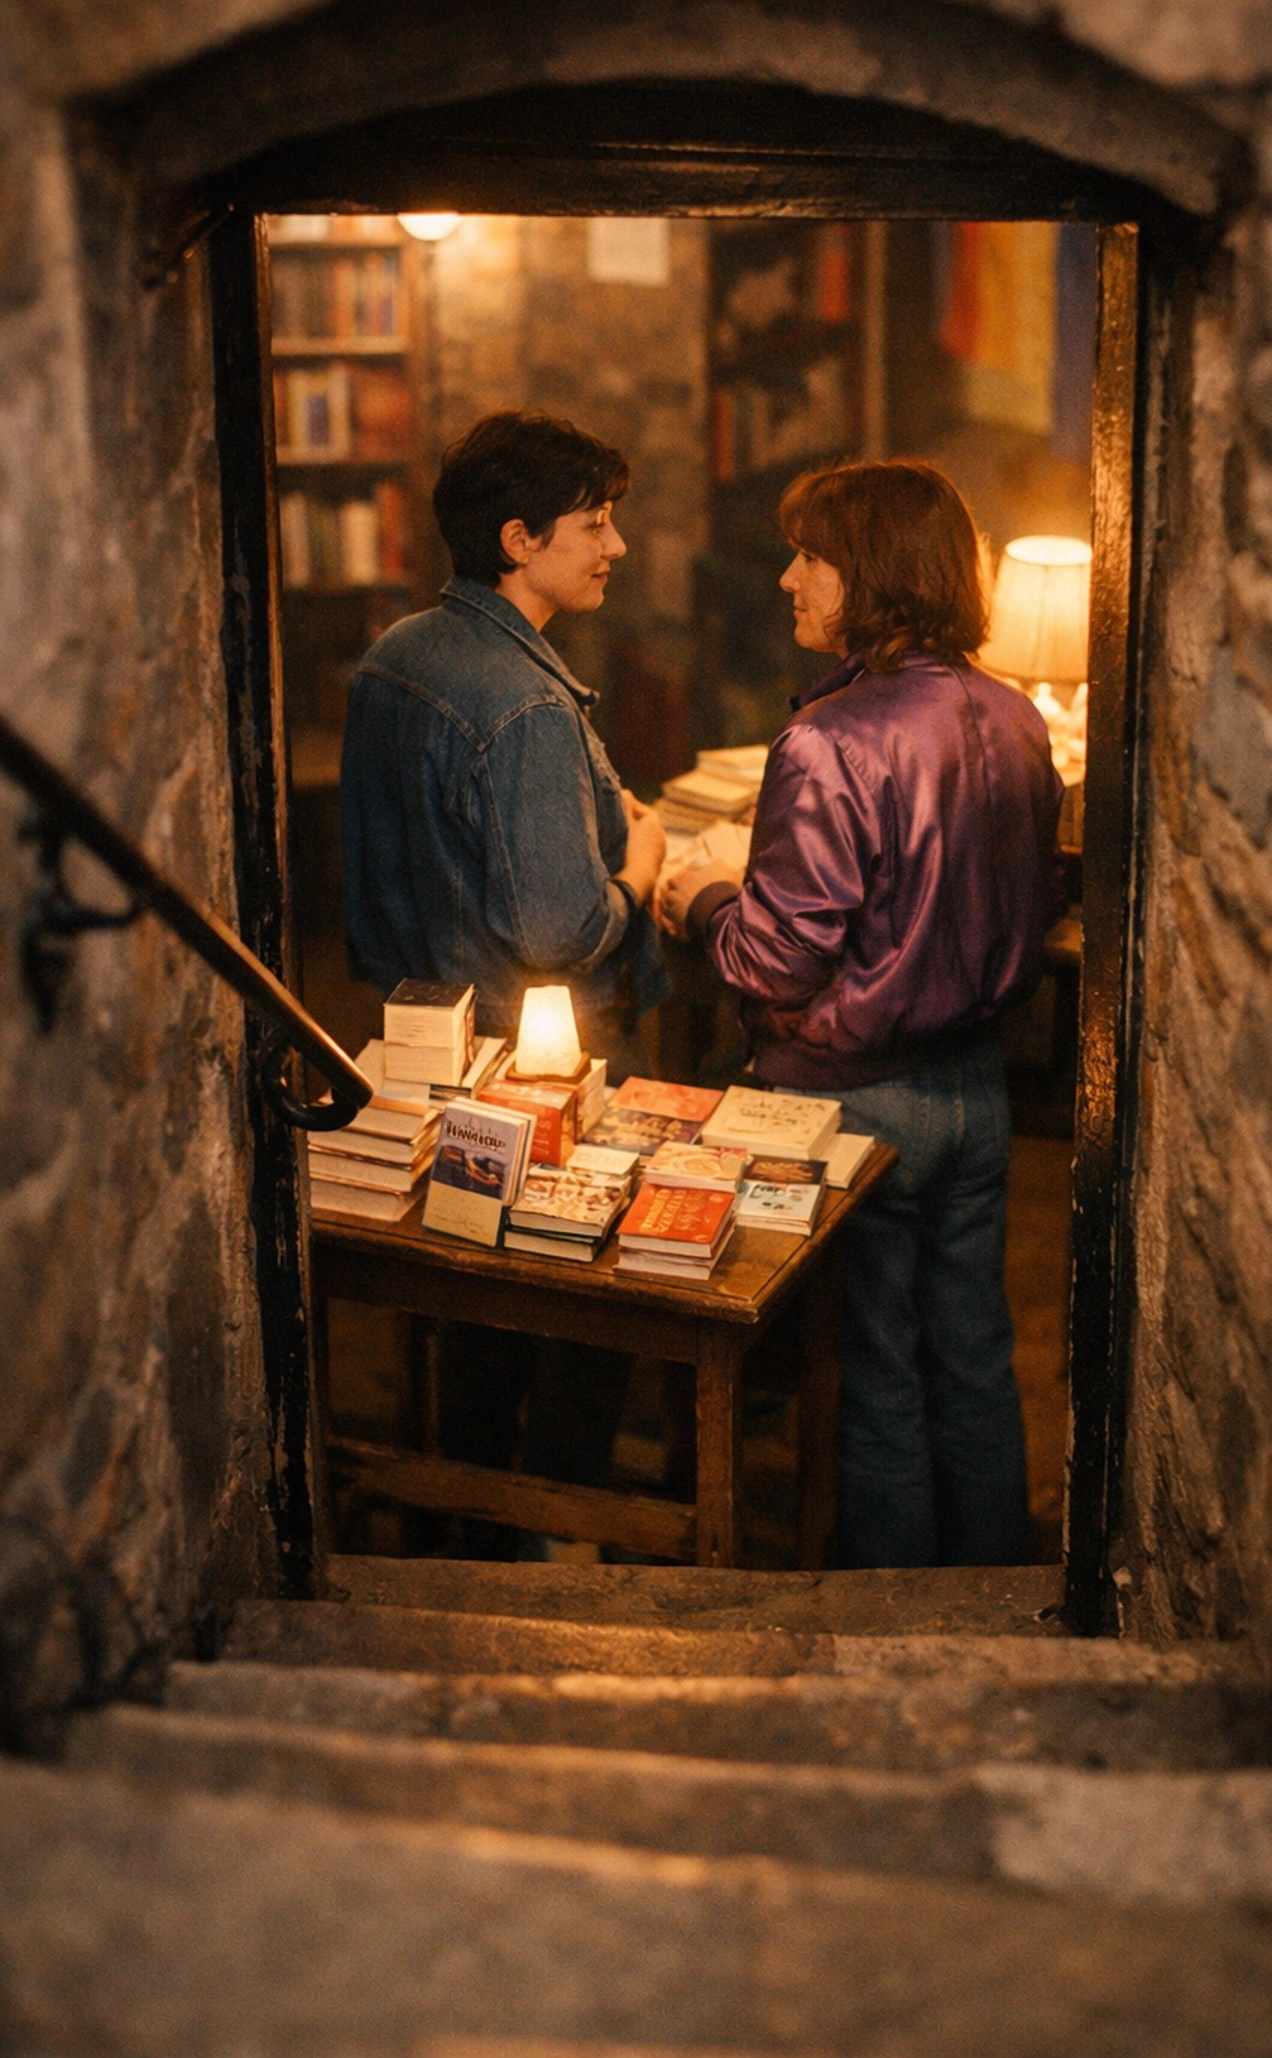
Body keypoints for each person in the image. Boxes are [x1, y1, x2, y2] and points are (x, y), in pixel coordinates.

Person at [661, 461, 1063, 1568]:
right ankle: (996, 1606)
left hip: (855, 1104)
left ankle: (894, 1626)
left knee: (876, 1367)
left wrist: (695, 901)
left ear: (871, 575)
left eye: (812, 557)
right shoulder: (1017, 717)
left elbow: (778, 959)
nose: (790, 577)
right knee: (975, 1354)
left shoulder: (831, 740)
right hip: (975, 1093)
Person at [342, 409, 669, 1553]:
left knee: (474, 1320)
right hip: (542, 1066)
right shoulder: (524, 701)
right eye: (595, 524)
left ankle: (465, 1538)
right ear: (519, 540)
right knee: (581, 1313)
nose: (614, 546)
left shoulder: (395, 657)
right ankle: (550, 1551)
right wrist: (638, 869)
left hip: (423, 1053)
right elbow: (558, 926)